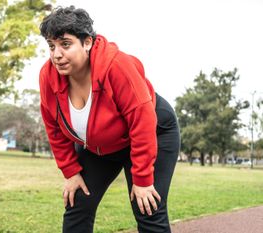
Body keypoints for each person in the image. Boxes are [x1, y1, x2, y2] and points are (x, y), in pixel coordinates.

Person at [39, 6, 180, 233]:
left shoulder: (117, 66)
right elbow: (53, 127)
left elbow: (143, 122)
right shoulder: (48, 76)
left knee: (147, 207)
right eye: (51, 46)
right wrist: (71, 172)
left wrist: (142, 179)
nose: (57, 54)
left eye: (65, 44)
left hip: (153, 132)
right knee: (78, 201)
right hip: (102, 147)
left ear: (87, 43)